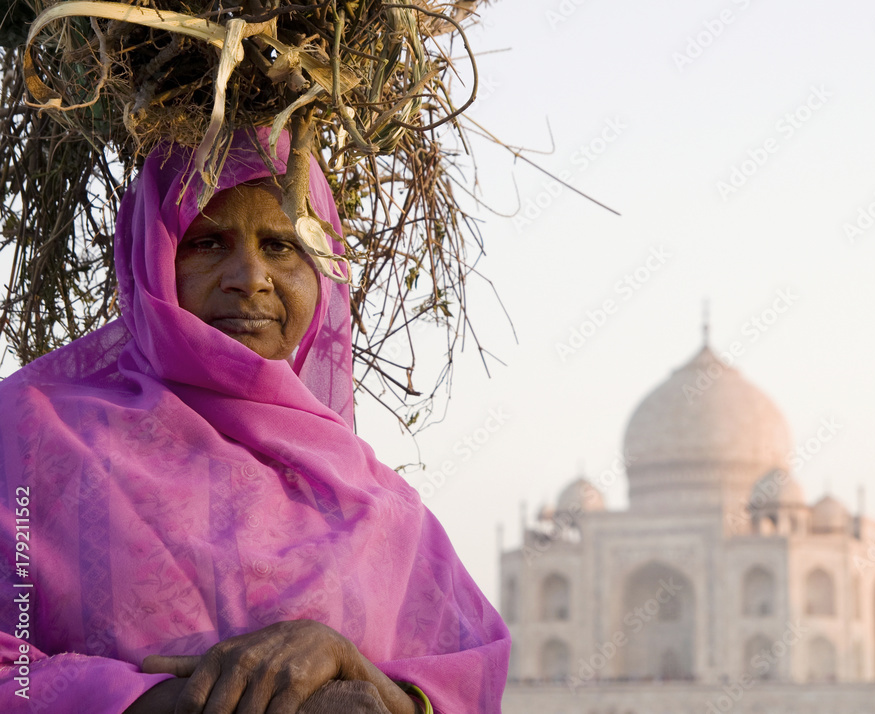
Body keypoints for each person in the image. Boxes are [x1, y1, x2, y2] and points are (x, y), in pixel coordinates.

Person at [0, 128, 510, 713]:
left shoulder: (381, 506)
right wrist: (182, 702)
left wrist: (353, 673)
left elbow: (467, 688)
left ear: (323, 270)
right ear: (151, 256)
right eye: (209, 243)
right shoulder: (28, 435)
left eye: (282, 245)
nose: (250, 277)